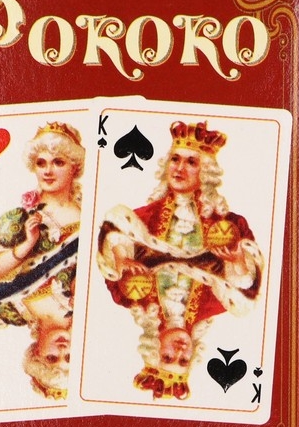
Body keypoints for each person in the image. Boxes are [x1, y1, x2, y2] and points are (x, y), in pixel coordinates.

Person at [97, 120, 263, 400]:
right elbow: (248, 285)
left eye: (190, 162)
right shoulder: (216, 303)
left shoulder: (132, 297)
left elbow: (114, 235)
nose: (179, 351)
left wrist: (122, 259)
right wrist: (238, 262)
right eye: (183, 360)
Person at [0, 121, 85, 400]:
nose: (48, 170)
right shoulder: (21, 219)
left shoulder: (12, 309)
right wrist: (25, 245)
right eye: (41, 162)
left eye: (58, 162)